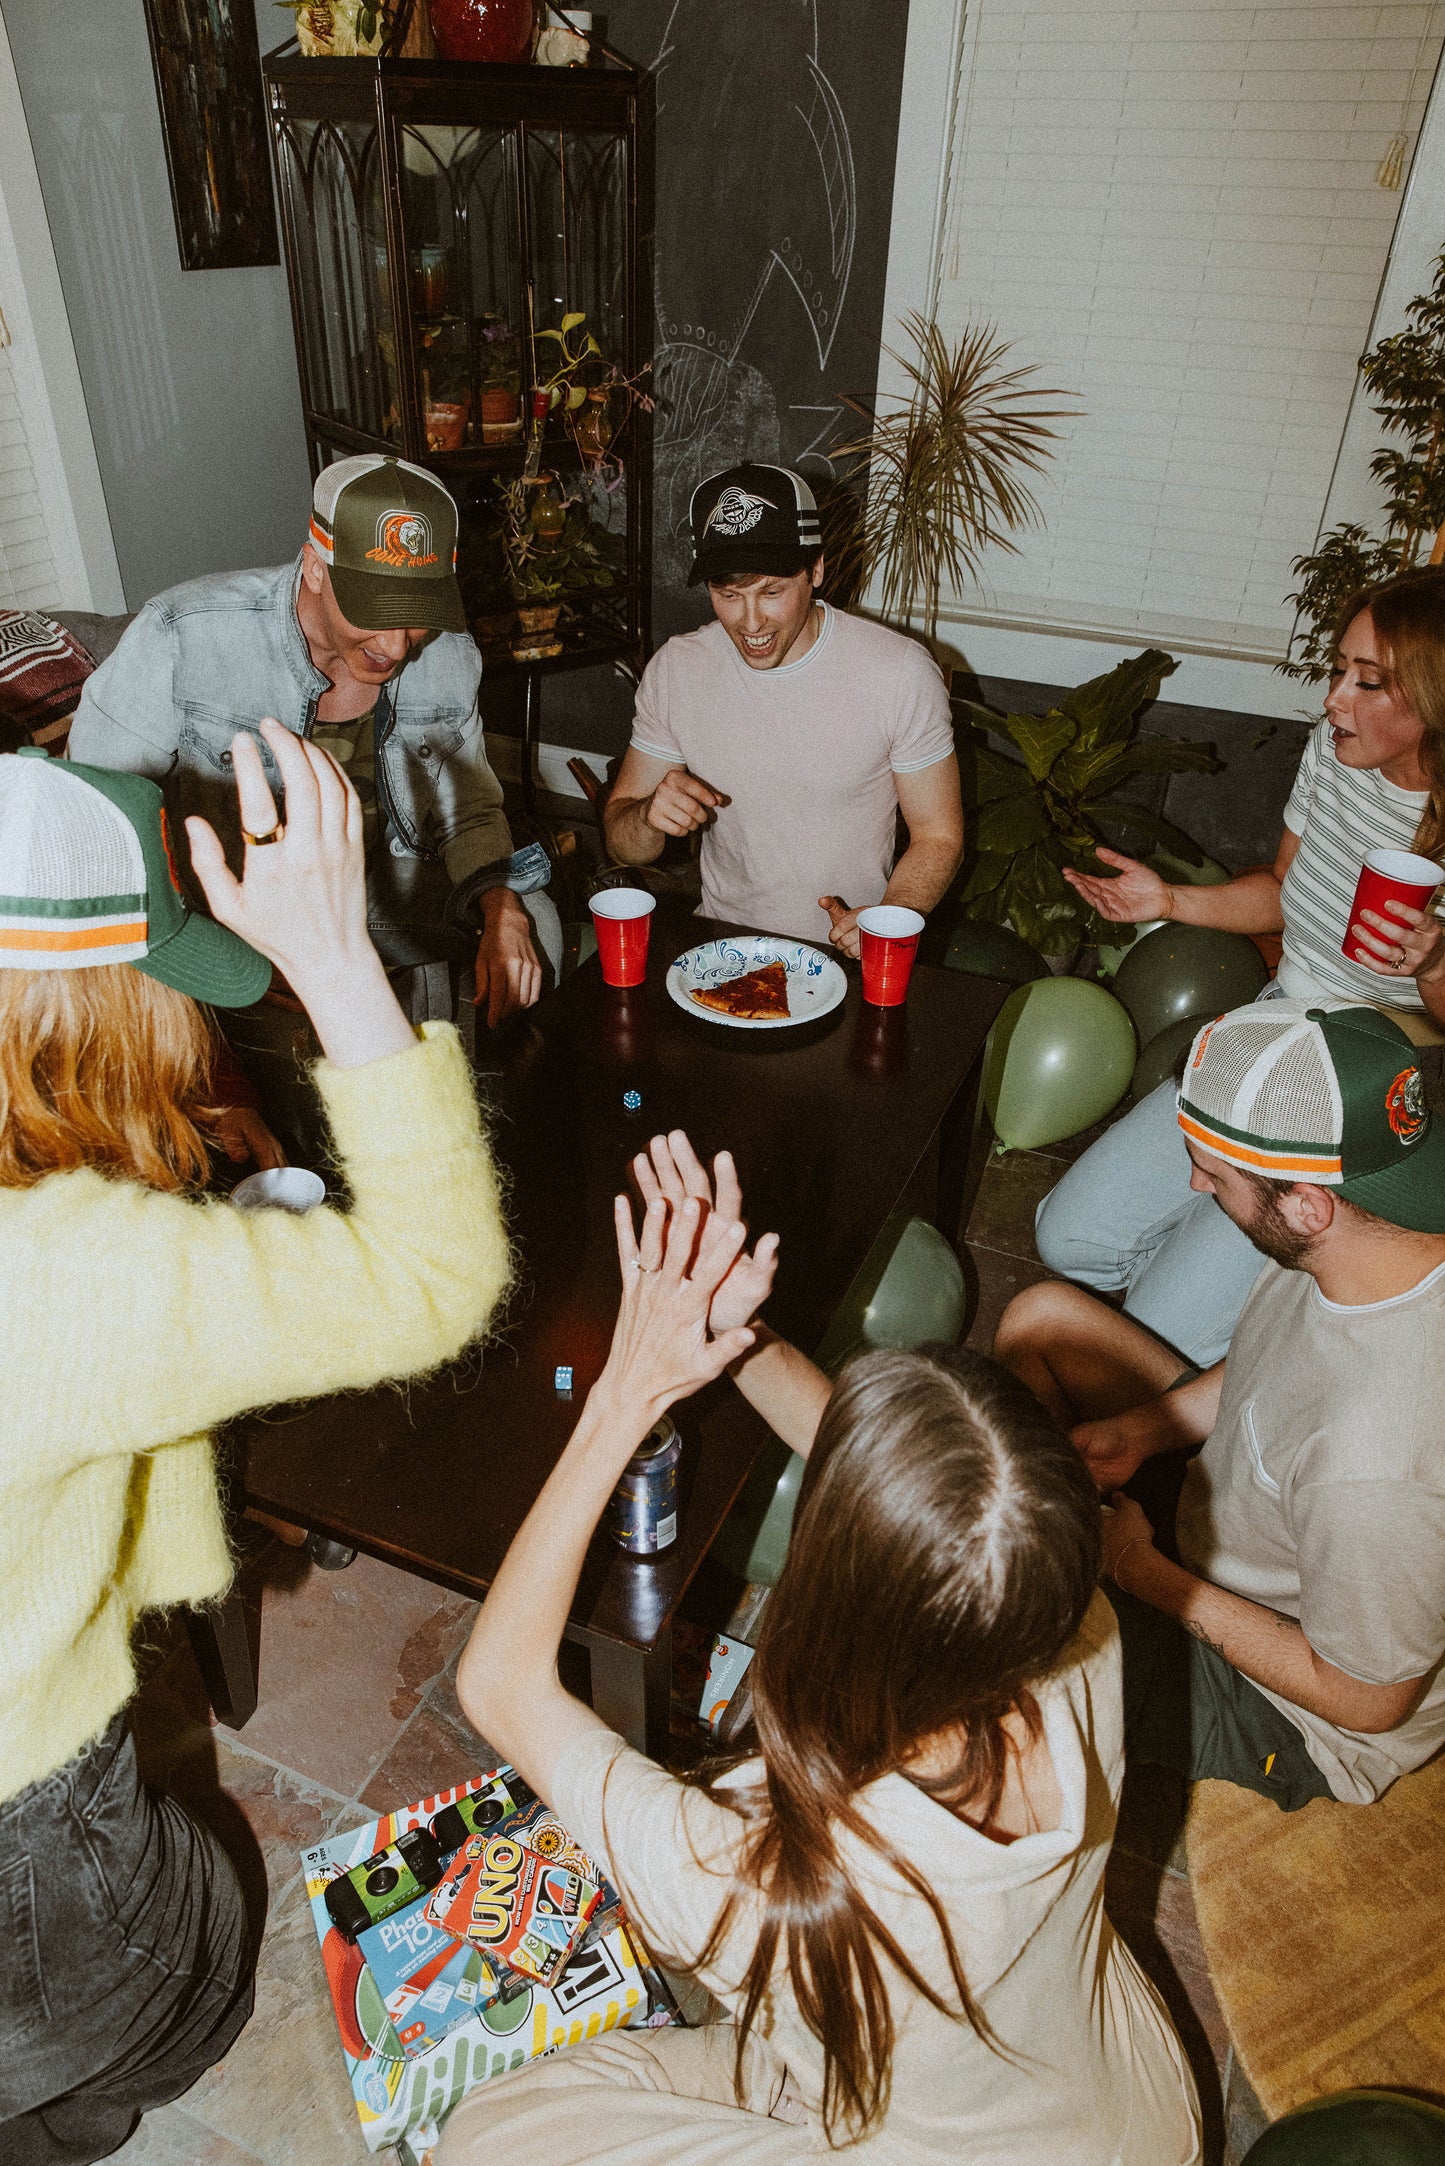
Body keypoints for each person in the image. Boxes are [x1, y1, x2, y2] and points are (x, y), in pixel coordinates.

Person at [437, 1134, 1202, 2165]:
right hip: (1121, 2107)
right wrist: (732, 1332)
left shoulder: (767, 1888)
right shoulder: (1073, 1628)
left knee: (483, 2137)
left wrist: (626, 1392)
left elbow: (498, 1682)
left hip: (930, 2148)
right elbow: (903, 1481)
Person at [0, 727, 510, 2163]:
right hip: (18, 1829)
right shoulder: (74, 1271)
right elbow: (434, 1277)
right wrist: (338, 960)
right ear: (94, 1005)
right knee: (194, 1975)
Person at [997, 999, 1445, 1811]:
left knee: (995, 1614)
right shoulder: (1373, 1236)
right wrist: (1144, 1430)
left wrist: (1136, 1568)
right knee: (1041, 1320)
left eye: (1215, 1173)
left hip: (1288, 1704)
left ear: (1306, 1205)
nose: (1196, 1185)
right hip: (1239, 1511)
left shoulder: (1376, 1470)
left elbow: (1366, 1701)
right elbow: (1282, 1358)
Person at [68, 454, 560, 1158]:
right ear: (315, 567)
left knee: (538, 928)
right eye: (376, 613)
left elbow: (471, 809)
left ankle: (471, 1136)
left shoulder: (448, 654)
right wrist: (251, 954)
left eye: (417, 618)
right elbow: (96, 827)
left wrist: (500, 908)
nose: (396, 647)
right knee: (307, 1104)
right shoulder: (183, 635)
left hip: (386, 889)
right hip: (239, 917)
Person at [1032, 565, 1445, 1366]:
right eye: (1337, 671)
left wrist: (1432, 961)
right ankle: (1216, 1325)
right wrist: (1169, 900)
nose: (1334, 700)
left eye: (1367, 683)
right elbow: (1283, 891)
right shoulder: (1332, 754)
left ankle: (1257, 1329)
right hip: (1273, 1021)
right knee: (1068, 1239)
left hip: (1365, 1080)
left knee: (1162, 1332)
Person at [601, 463, 964, 955]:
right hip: (722, 944)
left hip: (848, 953)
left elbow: (939, 836)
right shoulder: (678, 668)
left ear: (816, 570)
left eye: (771, 592)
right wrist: (647, 817)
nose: (750, 622)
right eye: (728, 595)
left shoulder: (899, 672)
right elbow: (622, 840)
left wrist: (889, 920)